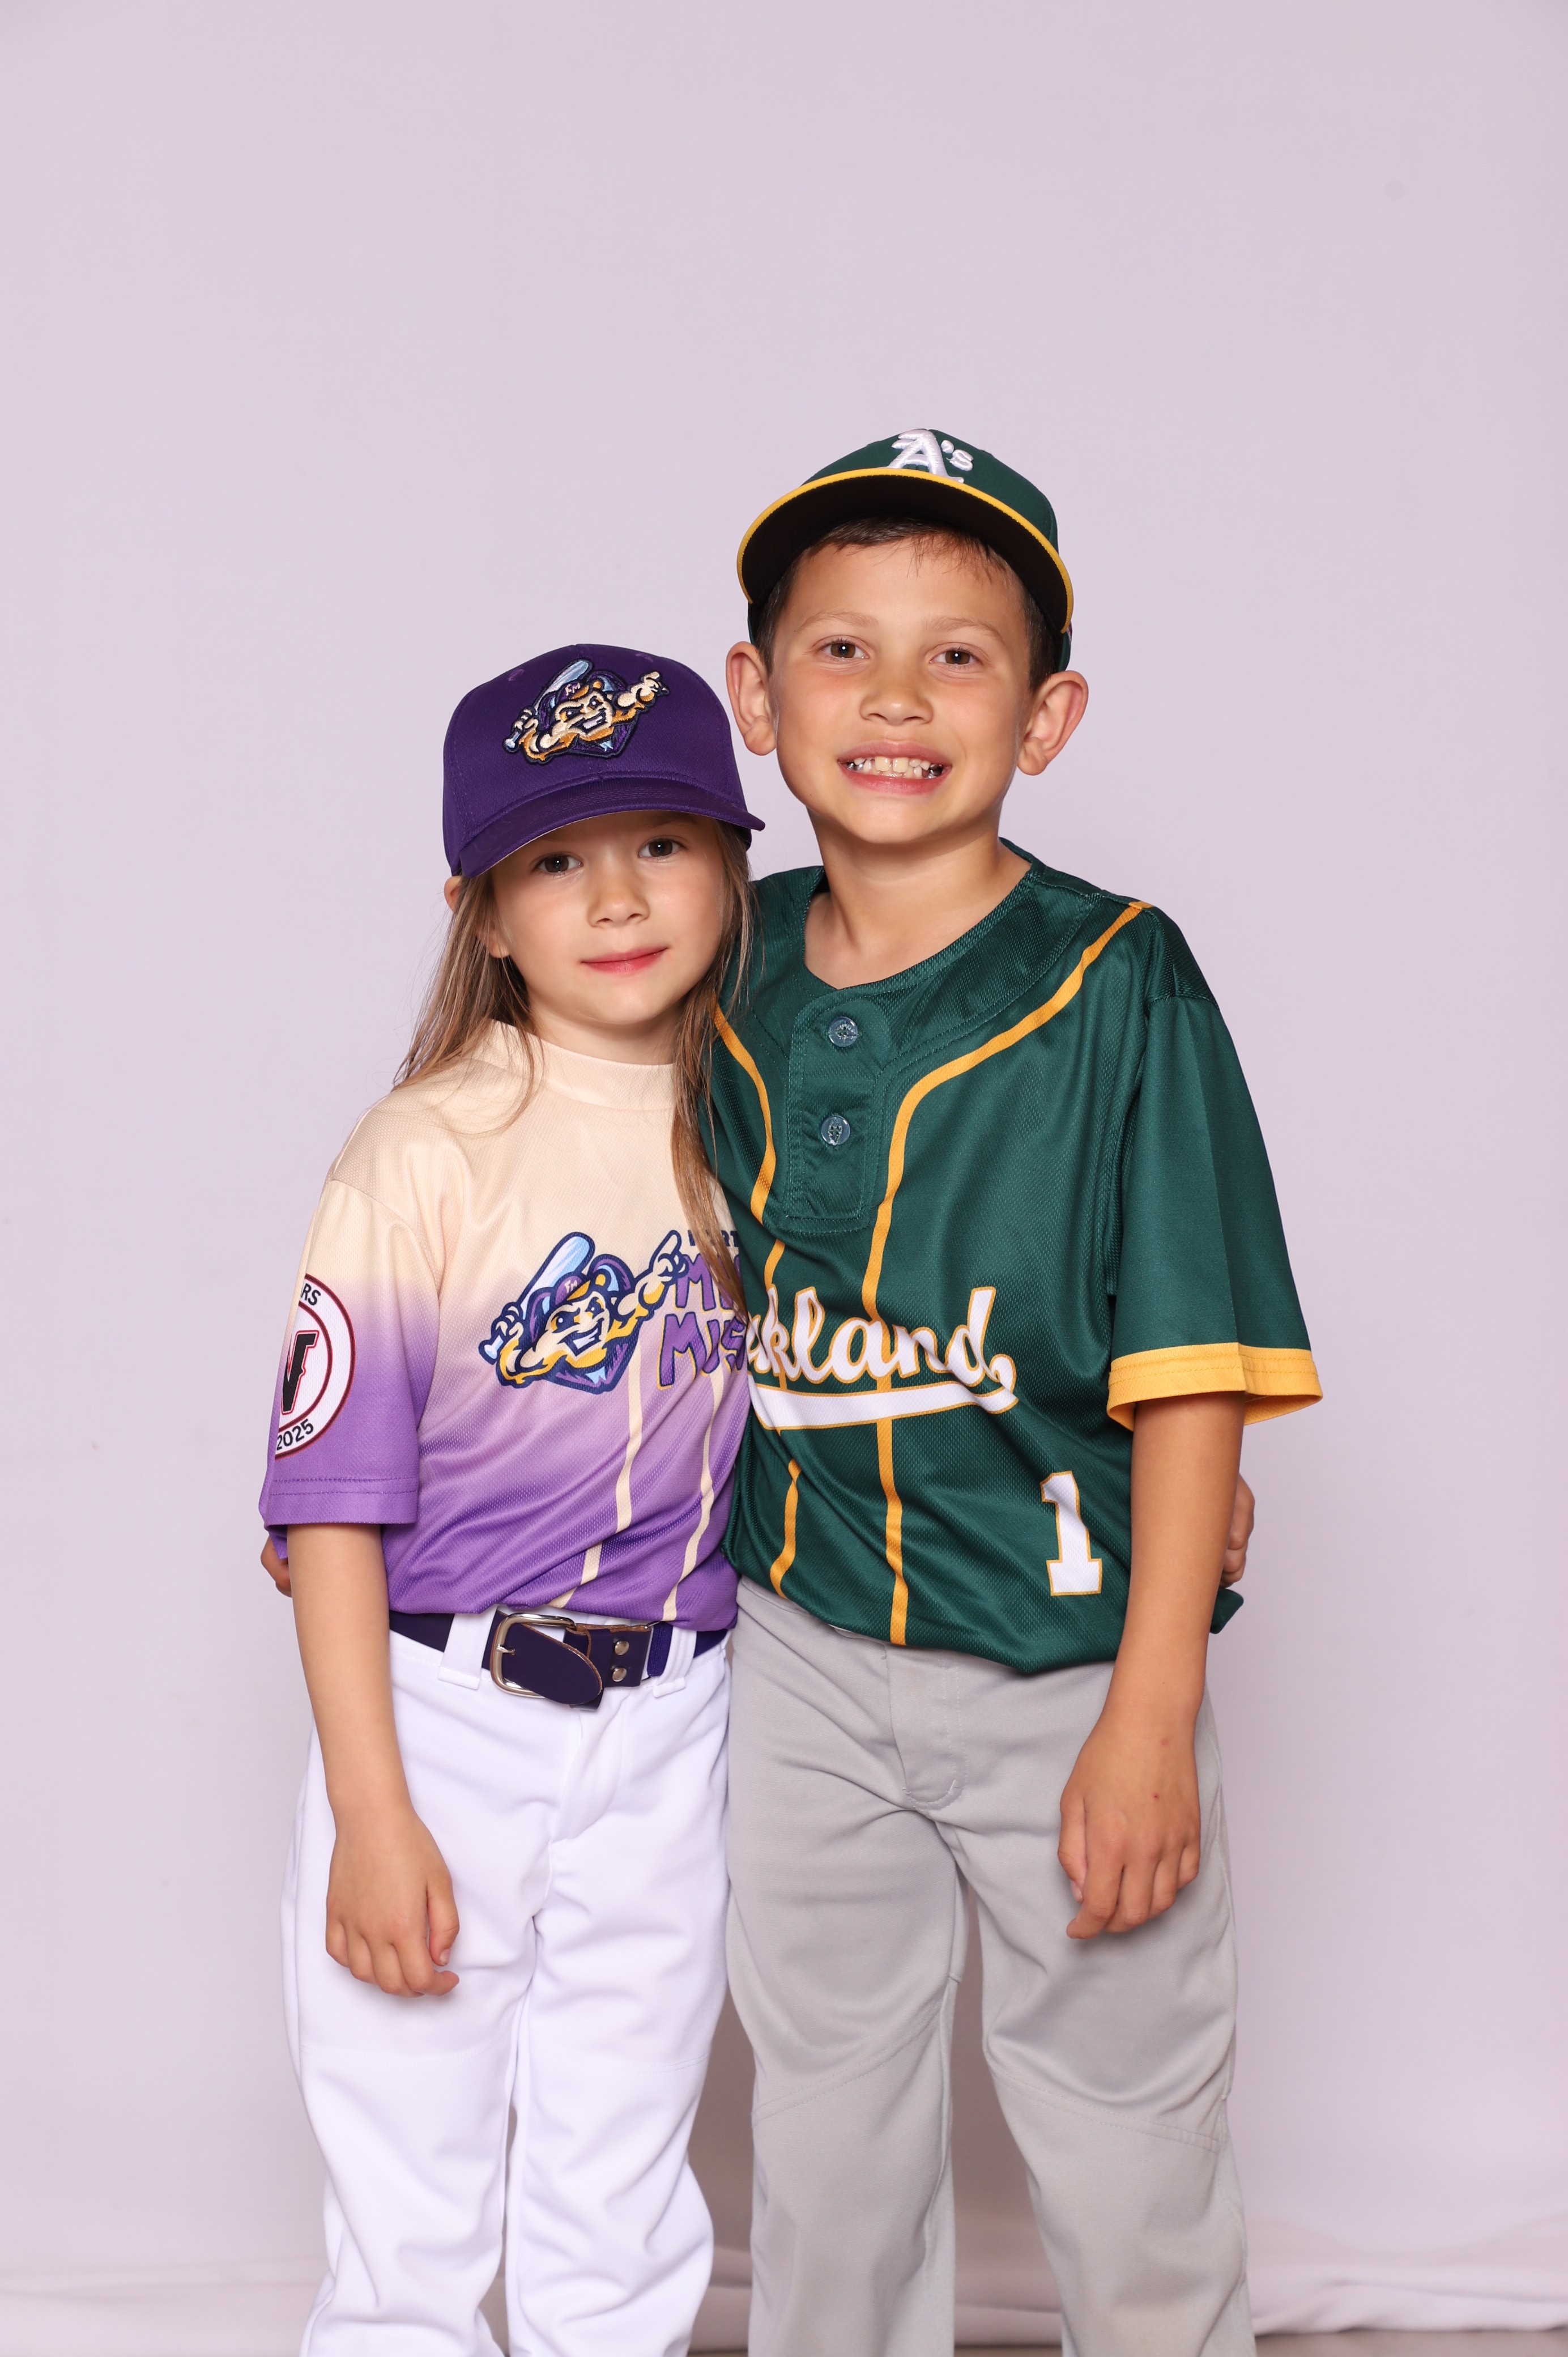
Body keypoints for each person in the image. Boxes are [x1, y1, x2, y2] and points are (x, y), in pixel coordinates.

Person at [705, 429, 1323, 2357]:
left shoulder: (1120, 976)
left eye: (958, 657)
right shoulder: (711, 963)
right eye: (841, 649)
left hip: (1066, 1659)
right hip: (800, 1645)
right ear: (756, 698)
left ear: (1046, 716)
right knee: (829, 2147)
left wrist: (1156, 1706)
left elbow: (1193, 1368)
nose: (896, 698)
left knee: (1129, 2140)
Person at [258, 645, 766, 2357]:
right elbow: (331, 1514)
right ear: (481, 911)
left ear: (733, 866)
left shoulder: (776, 1133)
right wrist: (373, 1813)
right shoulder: (425, 1149)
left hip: (677, 1717)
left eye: (663, 843)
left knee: (619, 2178)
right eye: (556, 859)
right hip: (445, 1713)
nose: (617, 897)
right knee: (408, 2183)